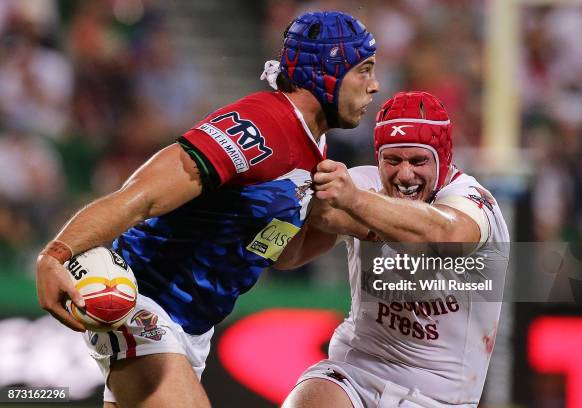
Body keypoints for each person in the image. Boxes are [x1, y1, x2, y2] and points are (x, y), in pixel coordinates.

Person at [35, 11, 379, 408]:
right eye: (364, 70)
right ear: (328, 73)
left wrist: (339, 222)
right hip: (142, 301)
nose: (374, 85)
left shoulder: (312, 146)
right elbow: (141, 196)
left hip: (192, 327)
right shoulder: (259, 125)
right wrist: (56, 254)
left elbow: (281, 255)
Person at [277, 91, 510, 408]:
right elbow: (289, 257)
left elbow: (444, 235)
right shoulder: (360, 183)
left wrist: (357, 207)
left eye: (418, 161)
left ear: (442, 160)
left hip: (437, 396)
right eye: (393, 160)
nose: (404, 175)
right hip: (355, 367)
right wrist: (285, 200)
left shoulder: (474, 202)